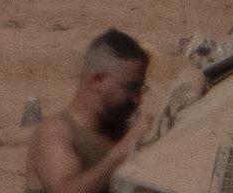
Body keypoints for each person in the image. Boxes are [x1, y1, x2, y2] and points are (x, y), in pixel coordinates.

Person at [26, 31, 149, 193]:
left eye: (140, 89)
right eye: (130, 88)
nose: (137, 99)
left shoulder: (121, 132)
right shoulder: (55, 133)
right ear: (98, 81)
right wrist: (125, 149)